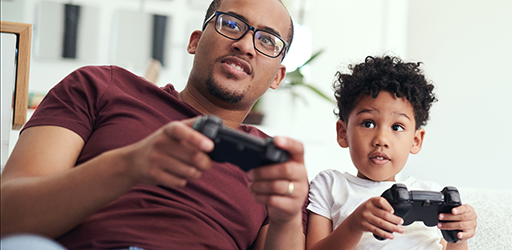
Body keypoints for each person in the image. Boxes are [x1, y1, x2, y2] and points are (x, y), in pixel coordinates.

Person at [0, 0, 309, 249]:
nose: (245, 45)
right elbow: (7, 218)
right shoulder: (101, 86)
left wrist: (287, 219)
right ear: (195, 41)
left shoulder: (276, 167)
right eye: (230, 24)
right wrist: (130, 164)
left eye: (267, 40)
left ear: (278, 77)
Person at [305, 56, 478, 250]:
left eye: (397, 127)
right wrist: (354, 225)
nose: (381, 139)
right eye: (368, 123)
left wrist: (459, 236)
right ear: (343, 133)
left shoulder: (432, 194)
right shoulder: (330, 185)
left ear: (416, 140)